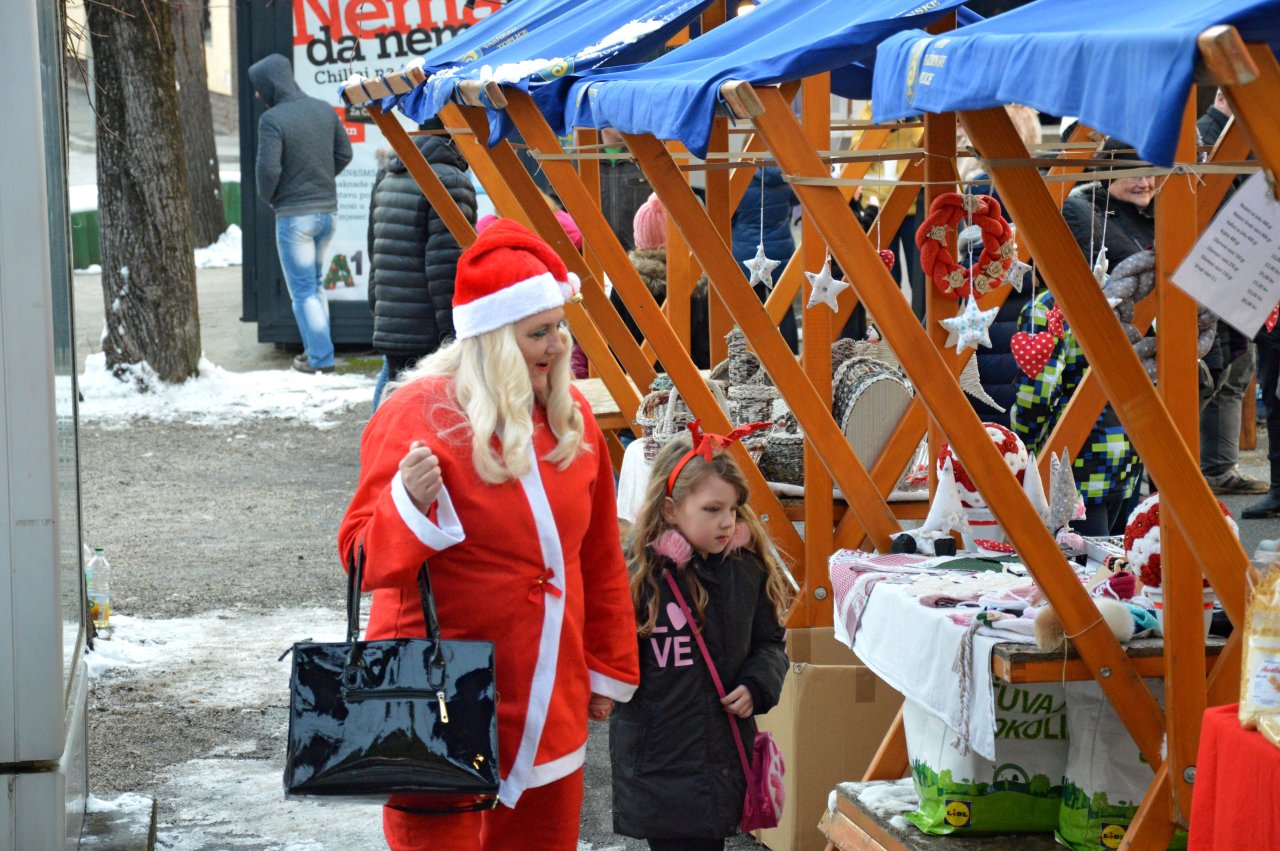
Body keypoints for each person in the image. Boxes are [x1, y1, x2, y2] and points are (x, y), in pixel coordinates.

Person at [338, 219, 640, 850]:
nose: (559, 345)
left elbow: (598, 558)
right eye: (539, 332)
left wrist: (607, 664)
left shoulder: (572, 418)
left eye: (560, 326)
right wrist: (406, 505)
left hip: (547, 698)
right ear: (493, 338)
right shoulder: (416, 413)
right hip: (435, 708)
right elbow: (362, 562)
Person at [610, 429, 791, 851]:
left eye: (733, 508)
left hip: (721, 759)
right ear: (671, 511)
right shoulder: (639, 576)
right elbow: (609, 649)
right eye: (712, 509)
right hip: (658, 763)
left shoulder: (745, 571)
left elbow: (770, 642)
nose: (727, 521)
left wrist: (757, 684)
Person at [1013, 139, 1151, 536]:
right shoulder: (1126, 300)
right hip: (1126, 452)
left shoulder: (1046, 309)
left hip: (1072, 463)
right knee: (1116, 568)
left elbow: (1037, 395)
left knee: (1079, 570)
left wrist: (1025, 442)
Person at [248, 54, 352, 374]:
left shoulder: (273, 120)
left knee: (303, 291)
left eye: (259, 88)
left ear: (271, 85)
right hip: (327, 214)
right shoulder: (324, 109)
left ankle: (321, 359)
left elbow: (268, 169)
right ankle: (315, 352)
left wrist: (272, 197)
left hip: (295, 216)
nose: (256, 94)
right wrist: (320, 182)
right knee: (316, 286)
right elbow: (344, 153)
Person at [367, 118, 476, 411]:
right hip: (426, 326)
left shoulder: (394, 172)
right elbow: (446, 269)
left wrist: (378, 308)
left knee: (394, 399)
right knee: (419, 410)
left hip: (394, 318)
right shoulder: (449, 180)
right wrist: (452, 336)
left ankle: (378, 452)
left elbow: (374, 249)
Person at [732, 167, 799, 351]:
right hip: (781, 251)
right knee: (785, 308)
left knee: (754, 310)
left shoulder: (740, 180)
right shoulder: (783, 178)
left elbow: (730, 214)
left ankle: (758, 356)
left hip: (747, 253)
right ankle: (791, 357)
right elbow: (796, 199)